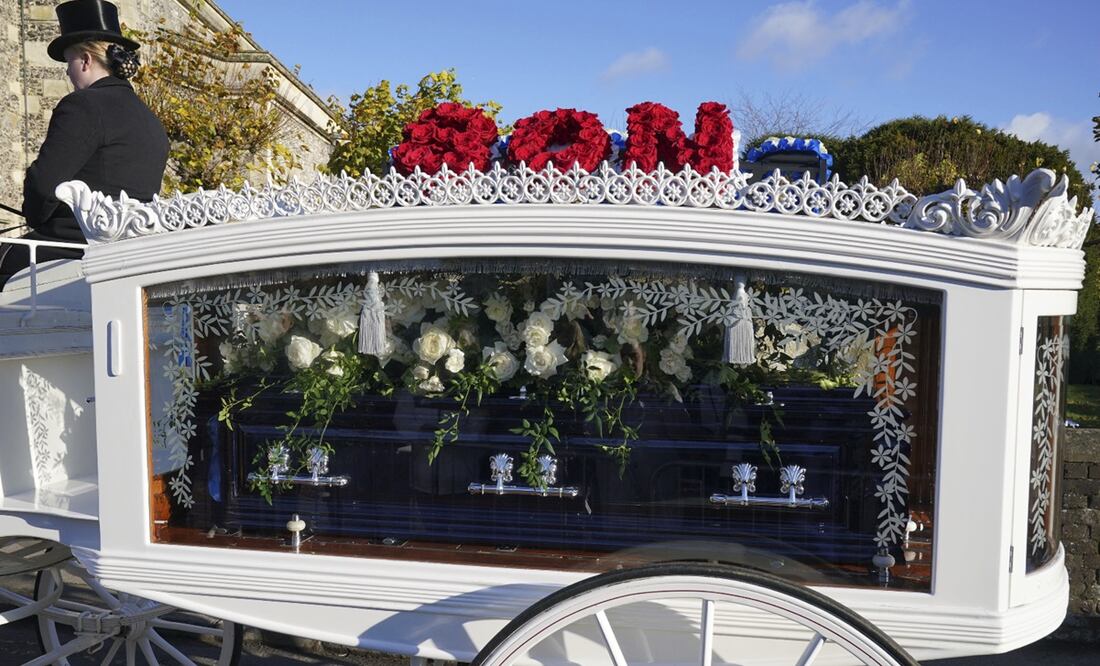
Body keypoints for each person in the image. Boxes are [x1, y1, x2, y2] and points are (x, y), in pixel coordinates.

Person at [0, 0, 168, 288]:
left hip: (71, 249)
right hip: (129, 253)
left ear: (86, 60)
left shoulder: (83, 106)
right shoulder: (151, 121)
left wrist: (36, 217)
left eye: (70, 63)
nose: (68, 73)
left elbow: (44, 185)